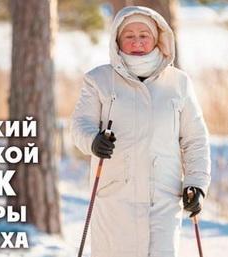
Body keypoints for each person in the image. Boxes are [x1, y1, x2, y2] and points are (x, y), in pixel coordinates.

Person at [70, 6, 211, 257]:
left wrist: (197, 185)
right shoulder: (99, 79)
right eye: (129, 35)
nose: (137, 42)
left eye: (144, 35)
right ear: (117, 40)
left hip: (163, 197)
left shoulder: (178, 83)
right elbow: (80, 125)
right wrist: (93, 141)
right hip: (115, 198)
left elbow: (195, 140)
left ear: (157, 38)